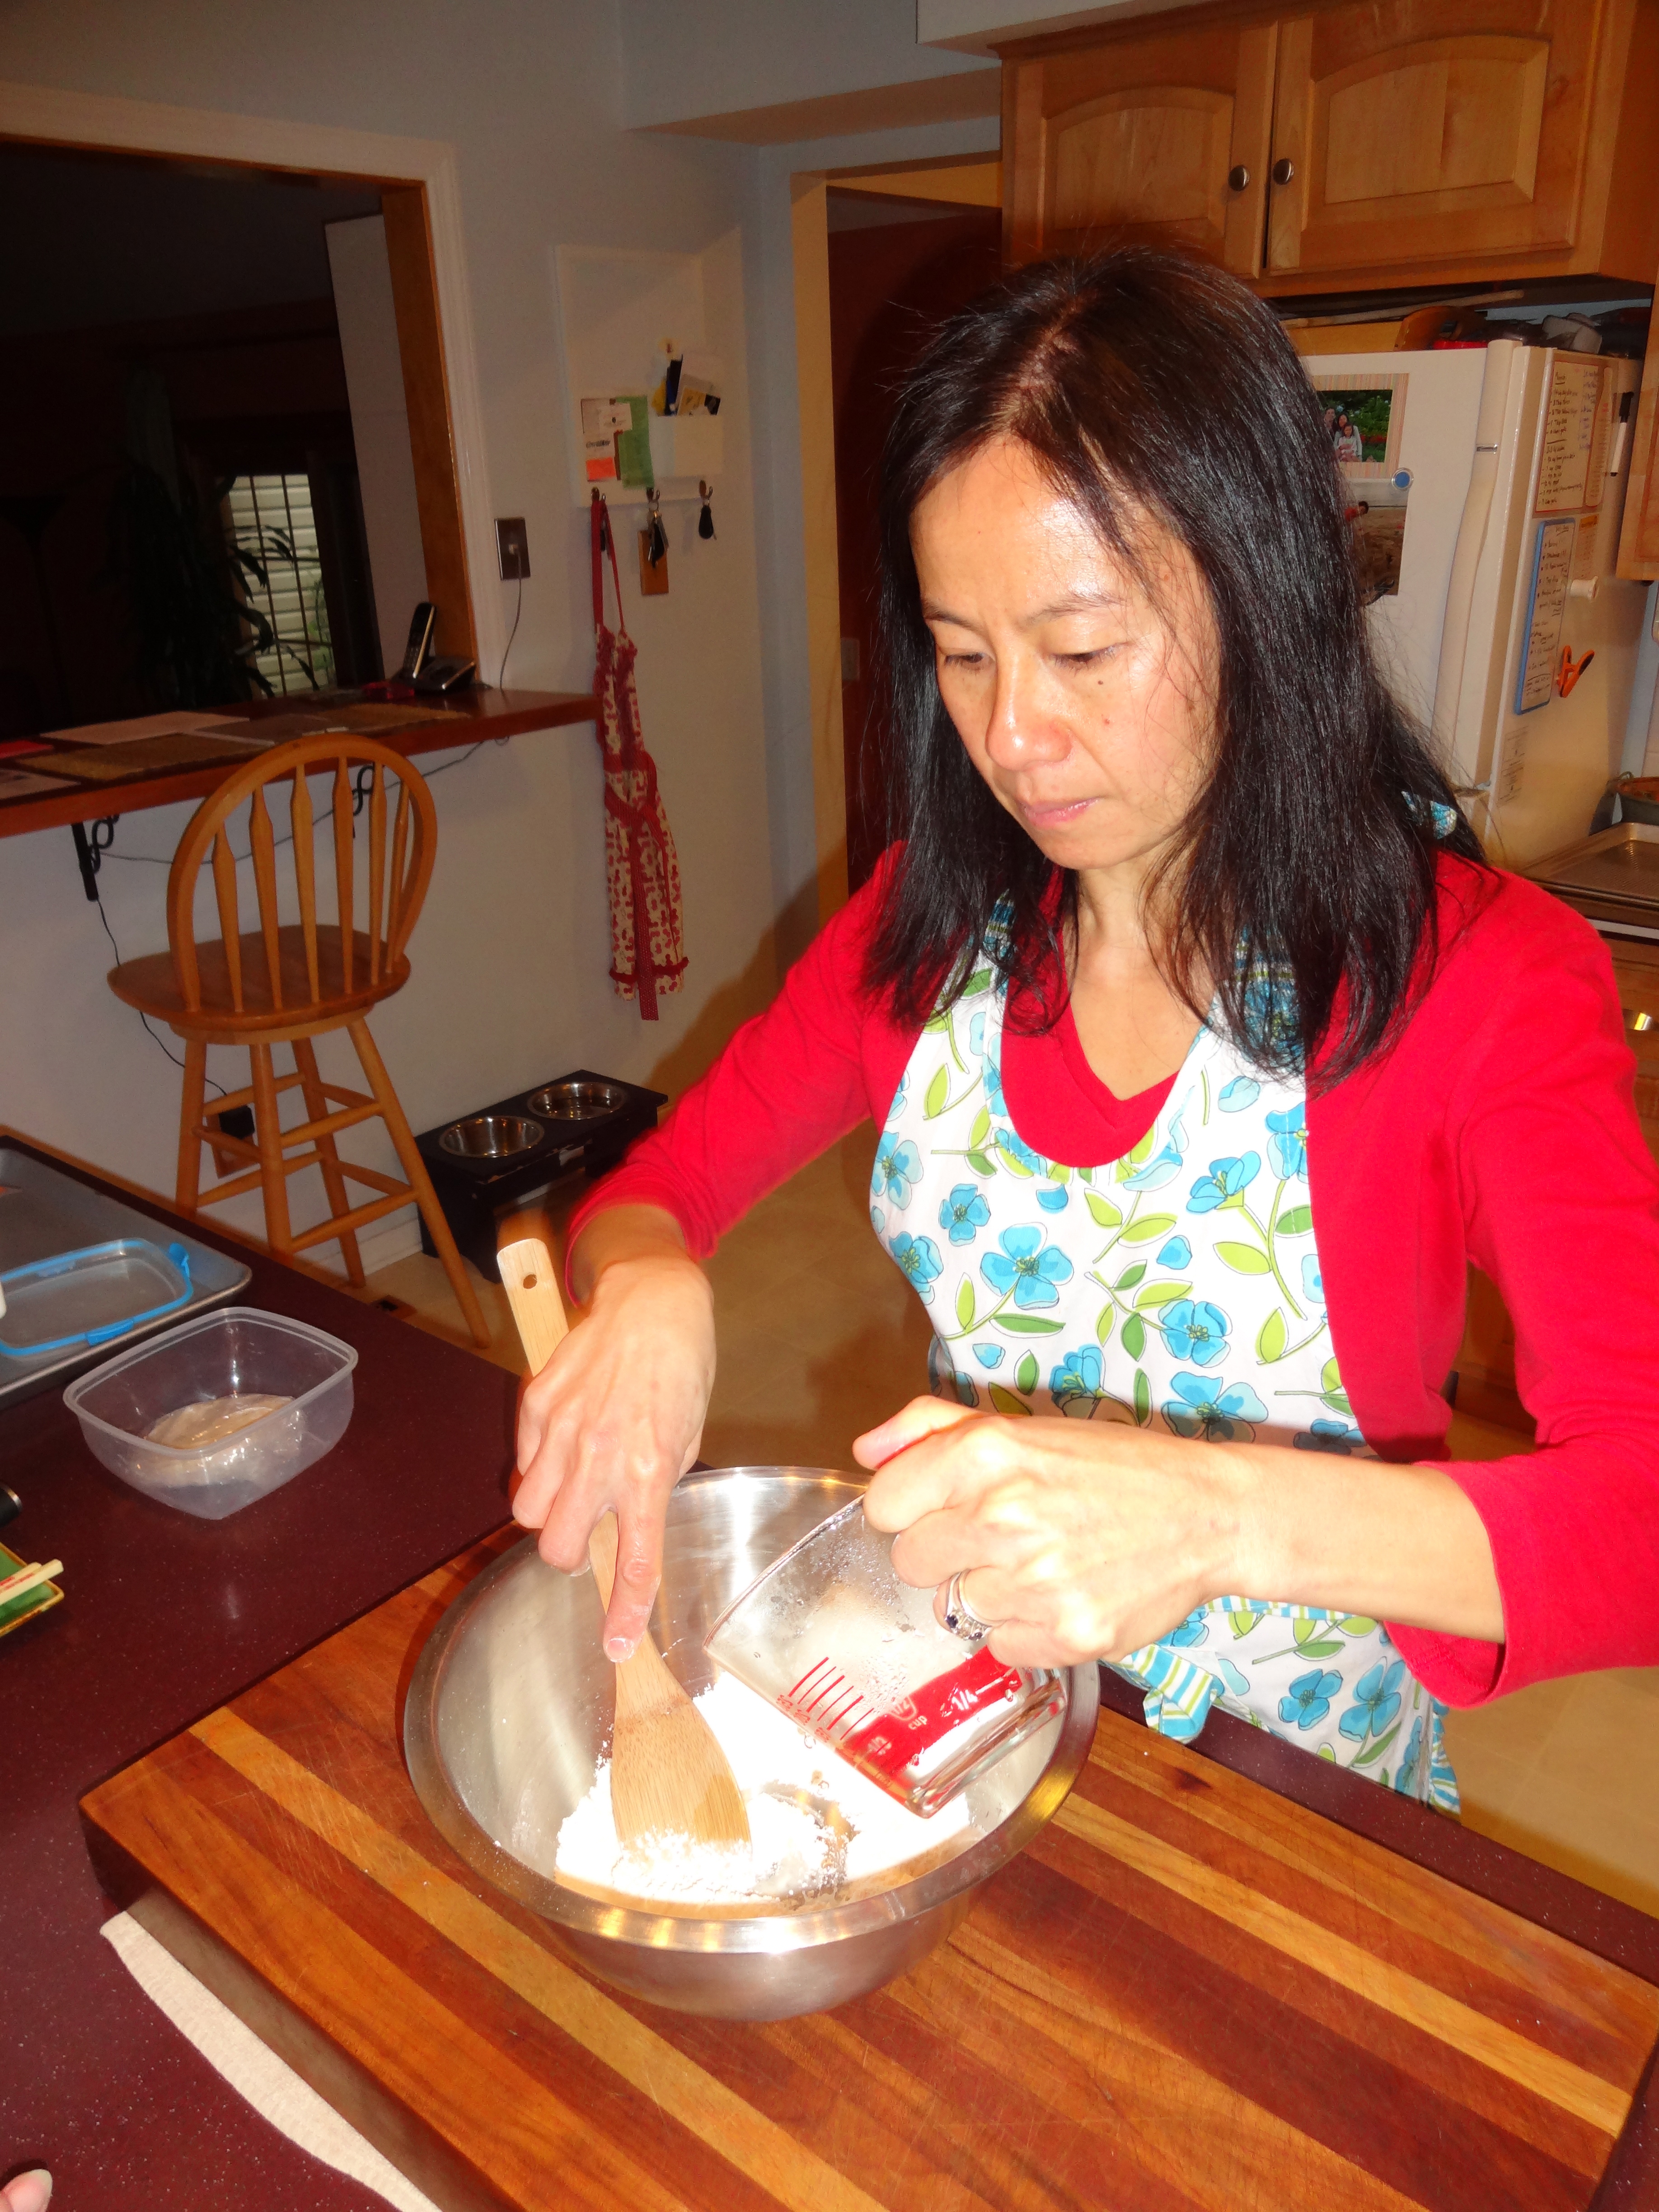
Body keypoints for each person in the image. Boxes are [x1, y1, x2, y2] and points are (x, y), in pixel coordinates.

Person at [512, 248, 1659, 1804]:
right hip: (983, 1722)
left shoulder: (1478, 977)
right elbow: (658, 1191)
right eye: (964, 654)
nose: (1012, 737)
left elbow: (1641, 1519)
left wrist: (1213, 1518)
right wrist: (649, 1284)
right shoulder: (928, 930)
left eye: (1082, 651)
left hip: (1299, 1793)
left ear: (1262, 602)